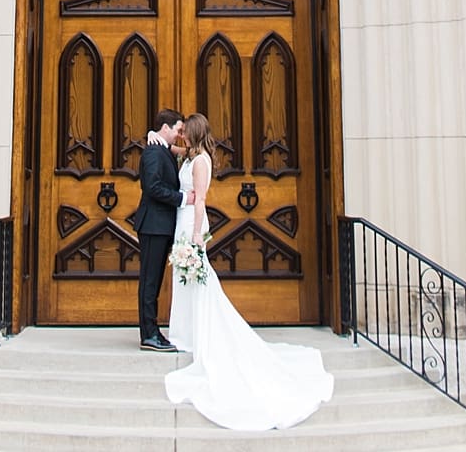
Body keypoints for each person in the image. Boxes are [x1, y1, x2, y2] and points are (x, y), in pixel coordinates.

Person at [165, 112, 334, 429]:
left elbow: (200, 199)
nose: (181, 135)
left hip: (191, 224)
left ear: (195, 134)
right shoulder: (188, 155)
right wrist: (161, 134)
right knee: (185, 281)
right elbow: (169, 147)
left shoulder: (200, 162)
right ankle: (185, 332)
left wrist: (198, 235)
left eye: (185, 131)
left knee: (198, 282)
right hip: (181, 222)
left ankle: (197, 334)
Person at [128, 108, 187, 351]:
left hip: (161, 226)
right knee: (150, 281)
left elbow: (181, 150)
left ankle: (152, 331)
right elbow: (152, 187)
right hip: (153, 224)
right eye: (178, 130)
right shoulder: (153, 152)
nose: (179, 135)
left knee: (154, 279)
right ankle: (149, 334)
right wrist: (182, 198)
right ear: (166, 128)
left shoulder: (161, 147)